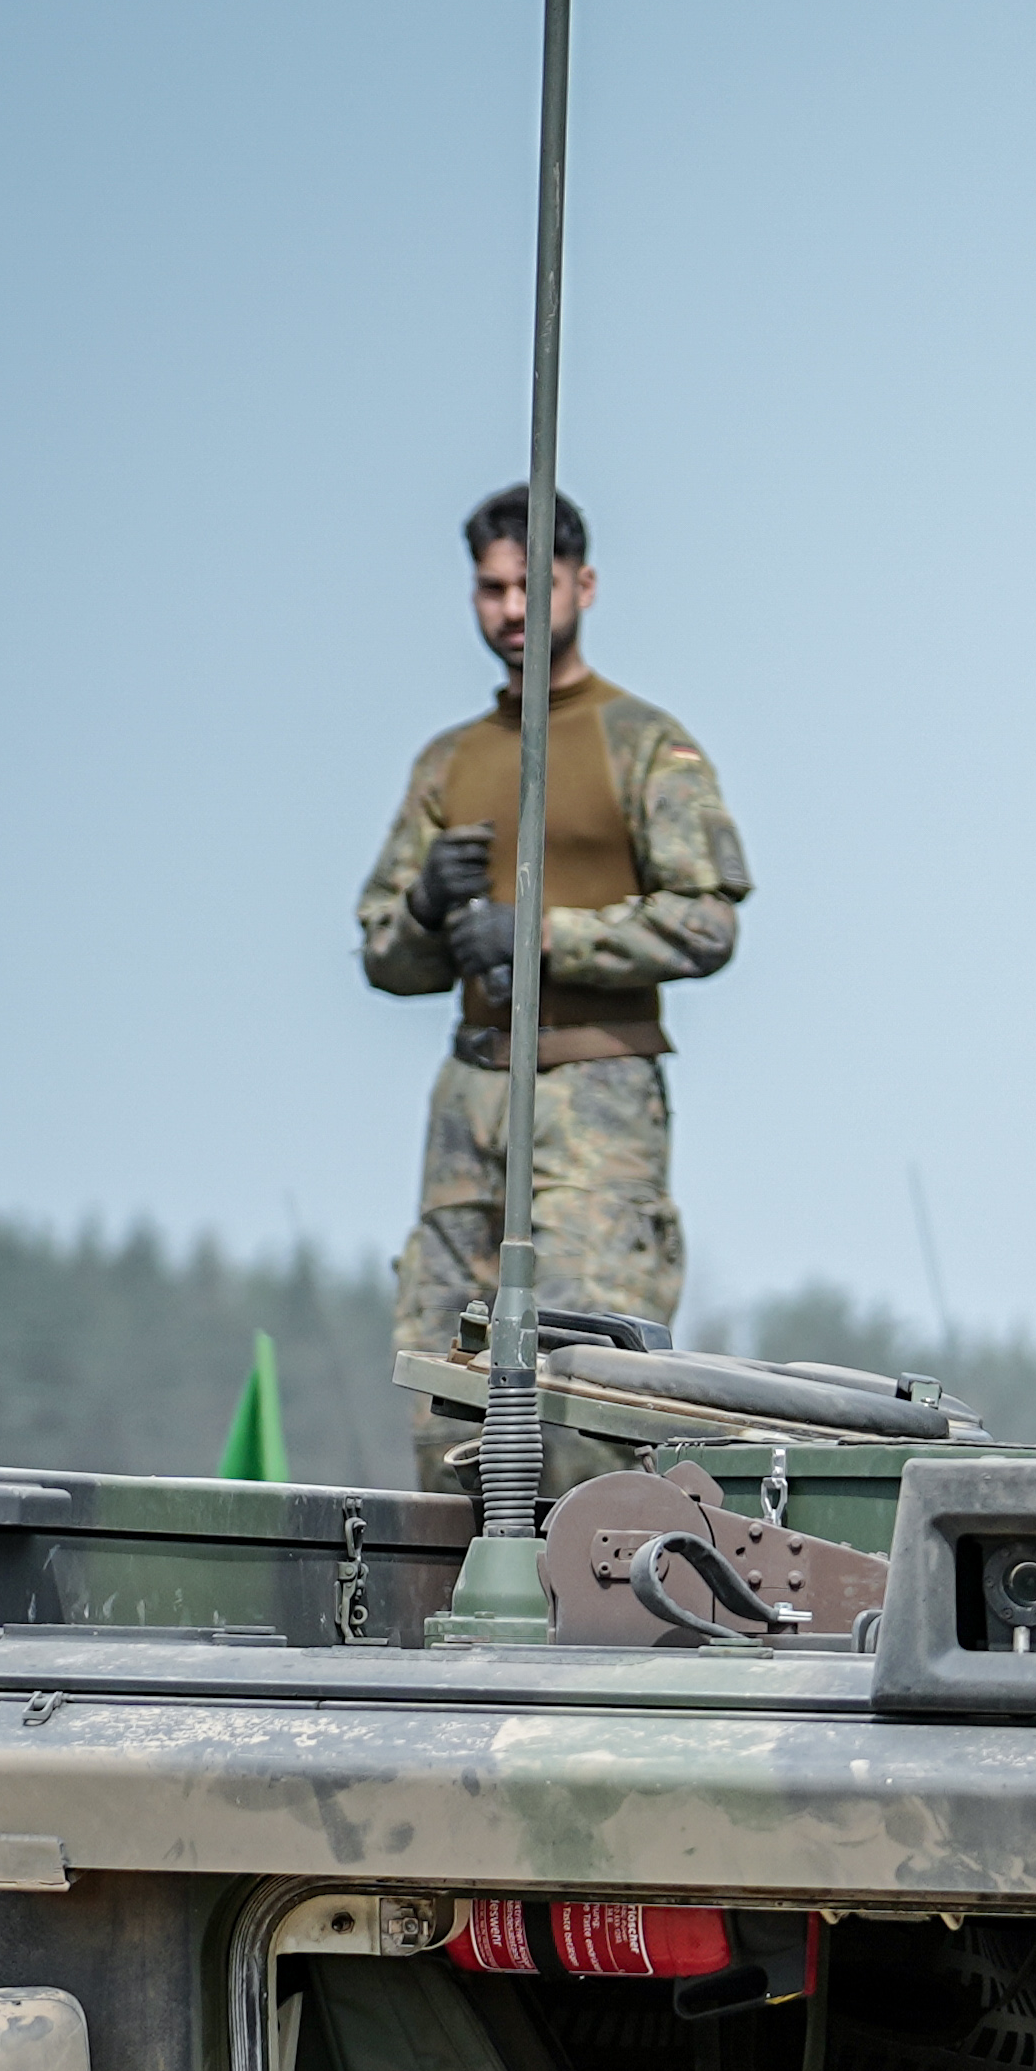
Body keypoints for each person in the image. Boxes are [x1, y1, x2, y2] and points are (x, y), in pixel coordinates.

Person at [359, 481, 747, 1437]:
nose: (511, 611)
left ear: (584, 584)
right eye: (491, 589)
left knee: (583, 1386)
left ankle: (581, 1584)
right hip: (472, 1098)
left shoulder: (644, 745)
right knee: (446, 1386)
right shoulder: (448, 763)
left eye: (533, 586)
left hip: (594, 1094)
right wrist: (425, 908)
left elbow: (706, 922)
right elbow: (384, 955)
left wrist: (539, 937)